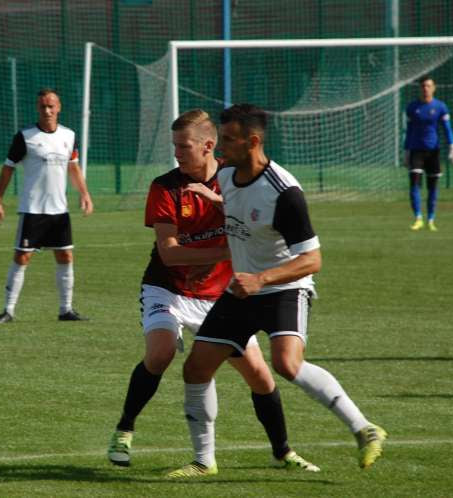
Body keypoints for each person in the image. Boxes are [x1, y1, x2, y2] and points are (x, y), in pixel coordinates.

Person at [170, 104, 386, 477]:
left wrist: (262, 279)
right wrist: (213, 257)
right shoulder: (226, 177)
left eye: (231, 140)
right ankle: (204, 461)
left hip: (285, 287)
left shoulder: (284, 192)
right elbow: (242, 220)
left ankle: (365, 429)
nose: (222, 147)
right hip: (242, 290)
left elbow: (313, 259)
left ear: (253, 141)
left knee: (286, 364)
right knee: (196, 367)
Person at [107, 110, 318, 475]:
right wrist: (227, 251)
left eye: (183, 146)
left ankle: (283, 452)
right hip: (168, 289)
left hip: (221, 295)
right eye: (174, 146)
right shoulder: (165, 187)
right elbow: (170, 253)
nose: (177, 153)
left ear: (208, 146)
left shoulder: (233, 180)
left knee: (260, 375)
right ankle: (125, 429)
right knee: (161, 353)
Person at [0, 88, 93, 324]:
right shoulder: (25, 137)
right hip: (33, 209)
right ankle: (8, 310)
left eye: (51, 106)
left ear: (59, 107)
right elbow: (7, 169)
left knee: (65, 256)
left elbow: (73, 167)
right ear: (38, 108)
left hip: (59, 211)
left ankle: (66, 310)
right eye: (42, 106)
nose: (47, 110)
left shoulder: (69, 135)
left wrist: (85, 194)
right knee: (22, 257)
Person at [404, 75, 453, 231]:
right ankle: (418, 218)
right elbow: (408, 131)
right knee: (414, 184)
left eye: (428, 86)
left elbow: (447, 129)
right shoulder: (412, 107)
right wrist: (406, 151)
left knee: (432, 187)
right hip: (416, 151)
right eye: (423, 86)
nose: (425, 89)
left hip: (433, 152)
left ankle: (431, 220)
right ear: (419, 88)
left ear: (434, 88)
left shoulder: (440, 107)